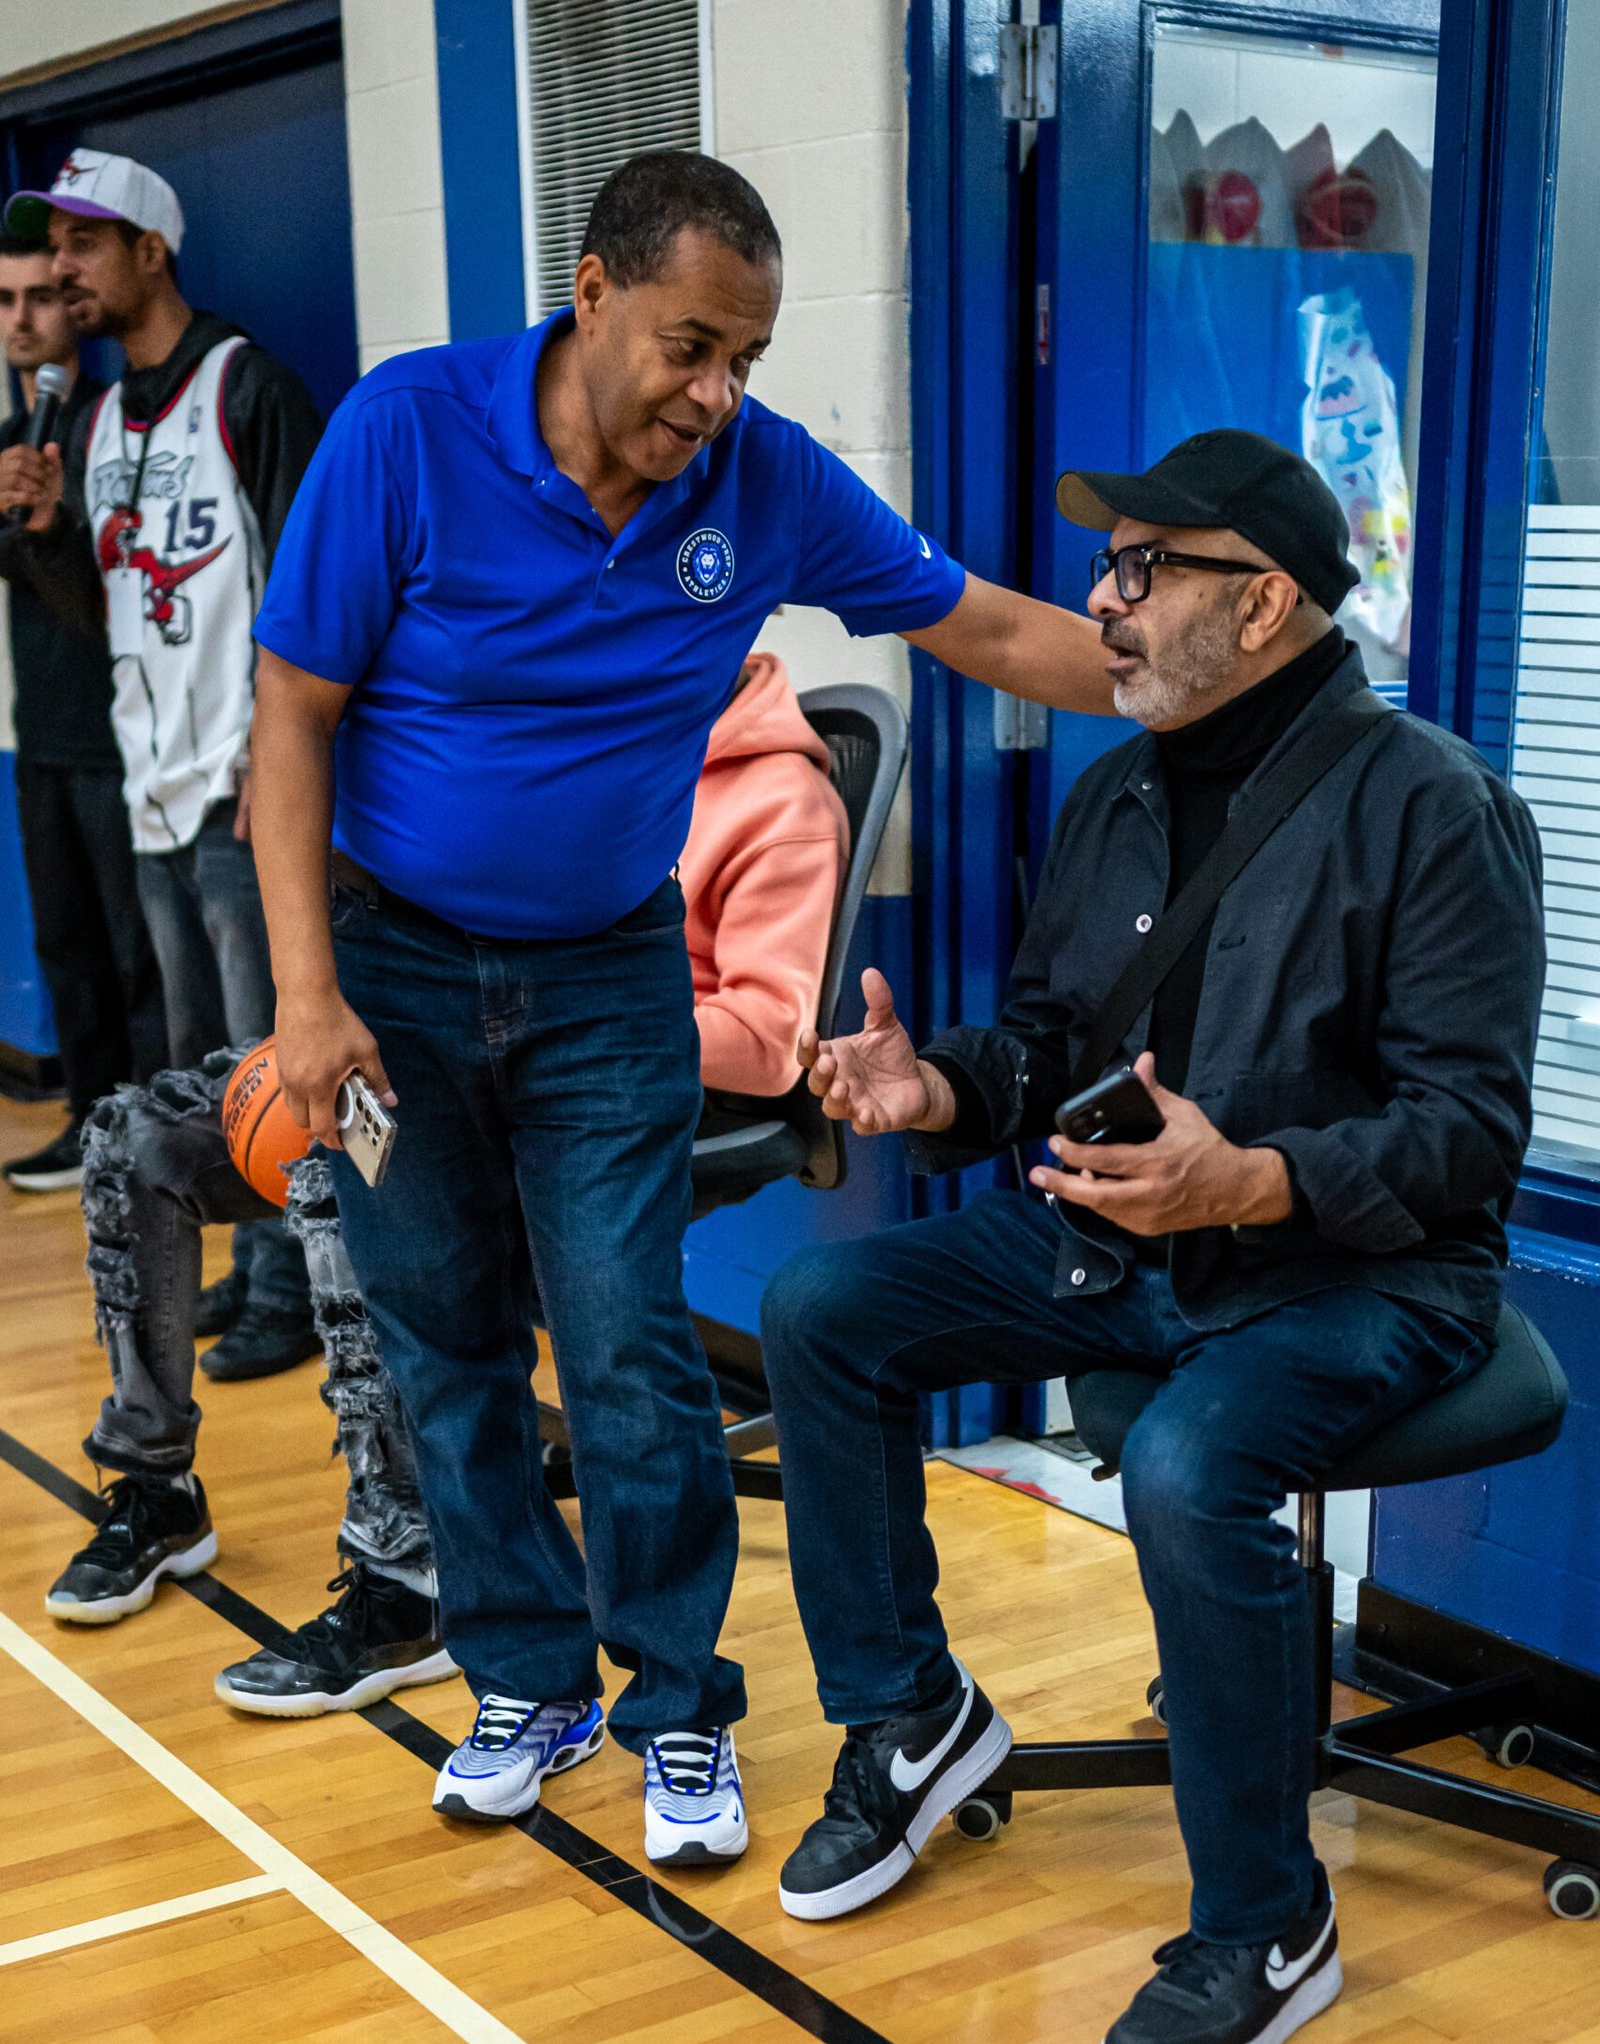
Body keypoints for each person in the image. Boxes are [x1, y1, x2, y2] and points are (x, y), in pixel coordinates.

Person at [247, 149, 1115, 1866]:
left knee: (627, 1346)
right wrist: (305, 993)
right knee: (445, 1340)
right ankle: (525, 1675)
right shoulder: (405, 432)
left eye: (747, 359)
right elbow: (292, 712)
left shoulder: (764, 481)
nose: (716, 394)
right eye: (692, 346)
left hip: (606, 970)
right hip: (393, 964)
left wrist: (1199, 674)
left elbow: (990, 629)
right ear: (593, 295)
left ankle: (678, 1704)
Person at [760, 430, 1544, 2044]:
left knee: (1189, 1465)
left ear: (1259, 603)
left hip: (1360, 1274)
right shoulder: (1116, 792)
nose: (1102, 602)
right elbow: (1051, 1045)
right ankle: (910, 1714)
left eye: (1142, 567)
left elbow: (1468, 1135)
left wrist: (1248, 1179)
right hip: (1120, 1237)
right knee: (823, 1310)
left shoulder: (1438, 805)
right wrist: (936, 1086)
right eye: (1107, 566)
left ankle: (1269, 1923)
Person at [48, 654, 850, 1743]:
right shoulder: (562, 743)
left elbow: (764, 1040)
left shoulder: (779, 799)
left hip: (624, 1094)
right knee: (132, 1139)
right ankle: (154, 1486)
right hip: (443, 1055)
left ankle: (407, 1574)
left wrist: (557, 1028)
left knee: (345, 1178)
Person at [0, 148, 321, 1377]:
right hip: (152, 791)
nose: (64, 269)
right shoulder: (92, 422)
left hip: (244, 793)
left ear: (150, 252)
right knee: (206, 1071)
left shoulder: (246, 386)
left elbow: (319, 592)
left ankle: (304, 1292)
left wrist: (283, 770)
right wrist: (42, 535)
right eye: (55, 247)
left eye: (84, 245)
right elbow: (105, 615)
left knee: (277, 1060)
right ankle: (257, 1268)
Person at [0, 227, 165, 1189]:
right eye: (5, 301)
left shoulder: (114, 427)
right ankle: (91, 1126)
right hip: (42, 739)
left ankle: (154, 1130)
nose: (22, 318)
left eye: (39, 296)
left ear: (73, 305)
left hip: (124, 734)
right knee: (66, 944)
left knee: (138, 952)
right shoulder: (8, 445)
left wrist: (50, 523)